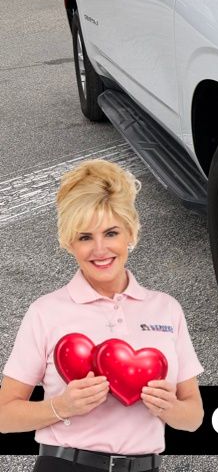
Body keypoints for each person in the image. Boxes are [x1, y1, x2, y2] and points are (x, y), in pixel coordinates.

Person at [0, 160, 203, 471]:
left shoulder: (166, 309)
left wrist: (170, 407)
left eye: (111, 233)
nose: (100, 249)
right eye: (85, 237)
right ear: (70, 243)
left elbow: (194, 417)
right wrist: (61, 406)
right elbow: (4, 416)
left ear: (130, 233)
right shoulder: (46, 312)